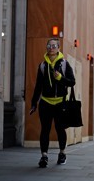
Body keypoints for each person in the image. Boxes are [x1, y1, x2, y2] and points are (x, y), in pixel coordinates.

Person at [29, 38, 75, 168]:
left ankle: (62, 153)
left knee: (60, 129)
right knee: (45, 130)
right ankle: (44, 156)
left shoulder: (65, 64)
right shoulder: (43, 66)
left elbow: (72, 82)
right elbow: (38, 86)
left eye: (54, 45)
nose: (51, 48)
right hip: (45, 103)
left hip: (60, 103)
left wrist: (60, 78)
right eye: (49, 45)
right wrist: (34, 103)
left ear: (58, 48)